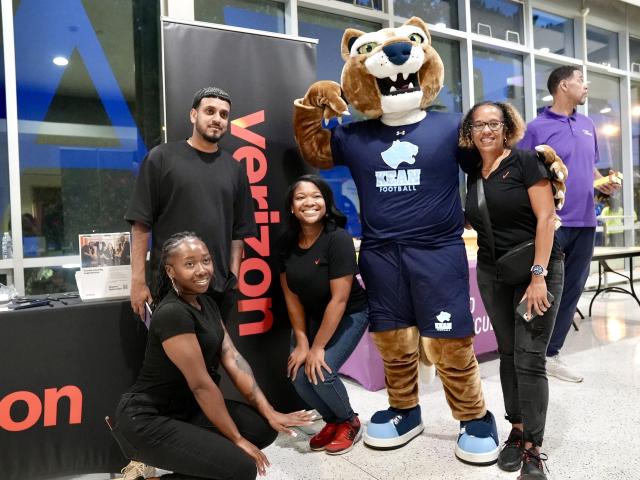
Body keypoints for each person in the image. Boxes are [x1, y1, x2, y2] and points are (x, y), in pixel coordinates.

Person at [113, 232, 314, 480]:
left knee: (261, 428)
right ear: (170, 271)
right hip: (147, 419)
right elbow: (200, 385)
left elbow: (232, 357)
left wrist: (270, 411)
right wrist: (237, 439)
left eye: (206, 260)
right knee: (241, 468)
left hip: (185, 409)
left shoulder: (206, 303)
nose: (202, 270)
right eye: (189, 264)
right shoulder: (172, 313)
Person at [460, 101, 564, 479]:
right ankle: (517, 430)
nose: (486, 130)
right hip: (493, 271)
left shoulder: (524, 162)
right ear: (470, 132)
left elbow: (546, 218)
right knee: (507, 353)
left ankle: (534, 449)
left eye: (493, 123)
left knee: (530, 358)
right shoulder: (473, 170)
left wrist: (538, 276)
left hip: (537, 269)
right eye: (478, 125)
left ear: (506, 128)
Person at [519, 66, 621, 383]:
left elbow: (588, 169)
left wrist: (601, 184)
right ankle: (524, 353)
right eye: (580, 80)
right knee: (541, 289)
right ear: (564, 86)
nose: (585, 85)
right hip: (553, 222)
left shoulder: (588, 124)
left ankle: (551, 354)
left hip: (586, 221)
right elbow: (524, 175)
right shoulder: (536, 128)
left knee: (573, 290)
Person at [125, 86, 256, 322]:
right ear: (193, 115)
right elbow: (140, 223)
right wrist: (137, 281)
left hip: (217, 289)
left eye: (224, 115)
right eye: (210, 111)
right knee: (174, 359)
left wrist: (233, 276)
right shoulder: (161, 158)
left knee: (214, 357)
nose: (217, 119)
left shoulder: (234, 169)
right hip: (170, 290)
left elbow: (239, 232)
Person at [279, 175, 369, 455]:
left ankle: (350, 421)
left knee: (321, 371)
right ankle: (332, 421)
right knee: (298, 374)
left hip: (350, 312)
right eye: (301, 197)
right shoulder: (286, 243)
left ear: (326, 203)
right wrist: (304, 343)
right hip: (313, 316)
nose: (309, 202)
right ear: (292, 207)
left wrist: (318, 348)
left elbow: (340, 300)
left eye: (316, 196)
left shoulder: (337, 239)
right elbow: (291, 297)